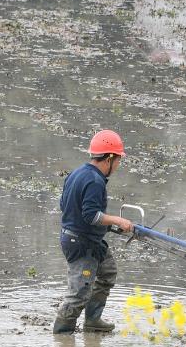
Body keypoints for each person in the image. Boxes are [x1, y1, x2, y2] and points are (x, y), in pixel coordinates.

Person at [53, 130, 134, 334]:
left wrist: (106, 225)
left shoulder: (77, 173)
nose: (118, 165)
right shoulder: (95, 181)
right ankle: (62, 335)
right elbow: (90, 215)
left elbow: (65, 205)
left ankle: (93, 320)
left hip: (84, 239)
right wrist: (116, 220)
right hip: (81, 244)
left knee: (107, 272)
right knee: (79, 292)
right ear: (109, 158)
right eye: (118, 160)